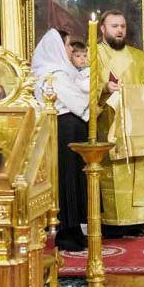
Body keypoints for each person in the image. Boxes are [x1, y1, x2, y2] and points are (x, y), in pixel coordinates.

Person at [95, 10, 144, 238]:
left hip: (136, 125)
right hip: (109, 123)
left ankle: (136, 221)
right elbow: (86, 82)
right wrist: (104, 87)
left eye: (122, 26)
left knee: (137, 170)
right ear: (103, 29)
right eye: (114, 26)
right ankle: (112, 223)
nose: (119, 30)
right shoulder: (95, 54)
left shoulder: (137, 56)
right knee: (112, 172)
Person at [32, 29, 90, 252]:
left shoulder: (58, 71)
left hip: (67, 129)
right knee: (67, 179)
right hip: (65, 130)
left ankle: (74, 231)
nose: (70, 49)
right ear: (56, 47)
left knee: (72, 178)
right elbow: (78, 102)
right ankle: (67, 233)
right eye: (67, 45)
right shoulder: (54, 74)